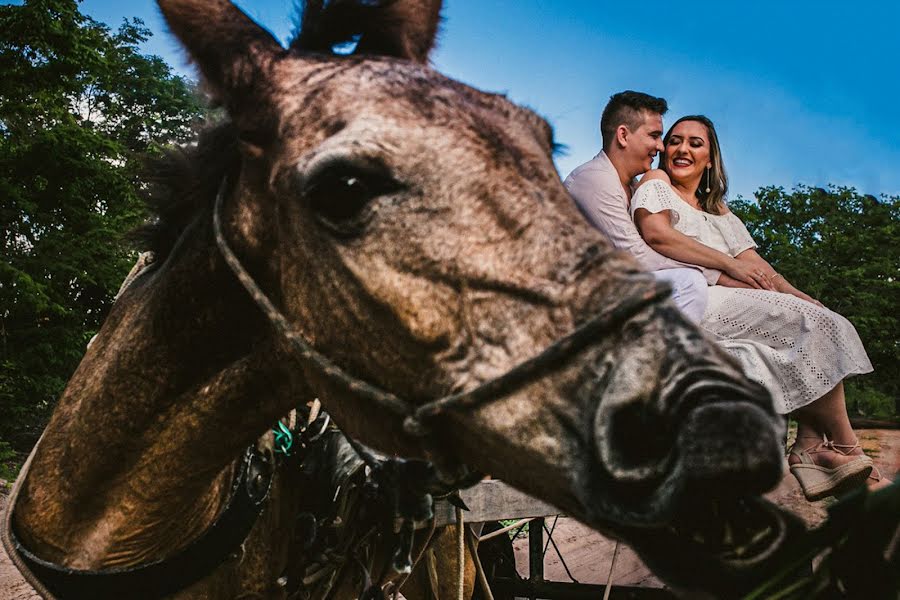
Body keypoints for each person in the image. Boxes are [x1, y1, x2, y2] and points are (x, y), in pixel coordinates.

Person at [629, 114, 888, 499]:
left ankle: (811, 442)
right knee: (813, 326)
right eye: (675, 140)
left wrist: (796, 293)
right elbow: (658, 236)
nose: (682, 149)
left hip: (730, 295)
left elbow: (756, 264)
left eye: (695, 143)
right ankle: (844, 447)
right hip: (693, 296)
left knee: (821, 319)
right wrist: (728, 264)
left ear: (710, 158)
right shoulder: (656, 183)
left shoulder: (718, 211)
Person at [564, 91, 778, 323]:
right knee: (688, 283)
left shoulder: (634, 188)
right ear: (623, 135)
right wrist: (723, 274)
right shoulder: (594, 179)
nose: (661, 147)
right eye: (655, 136)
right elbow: (637, 257)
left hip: (610, 291)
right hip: (572, 299)